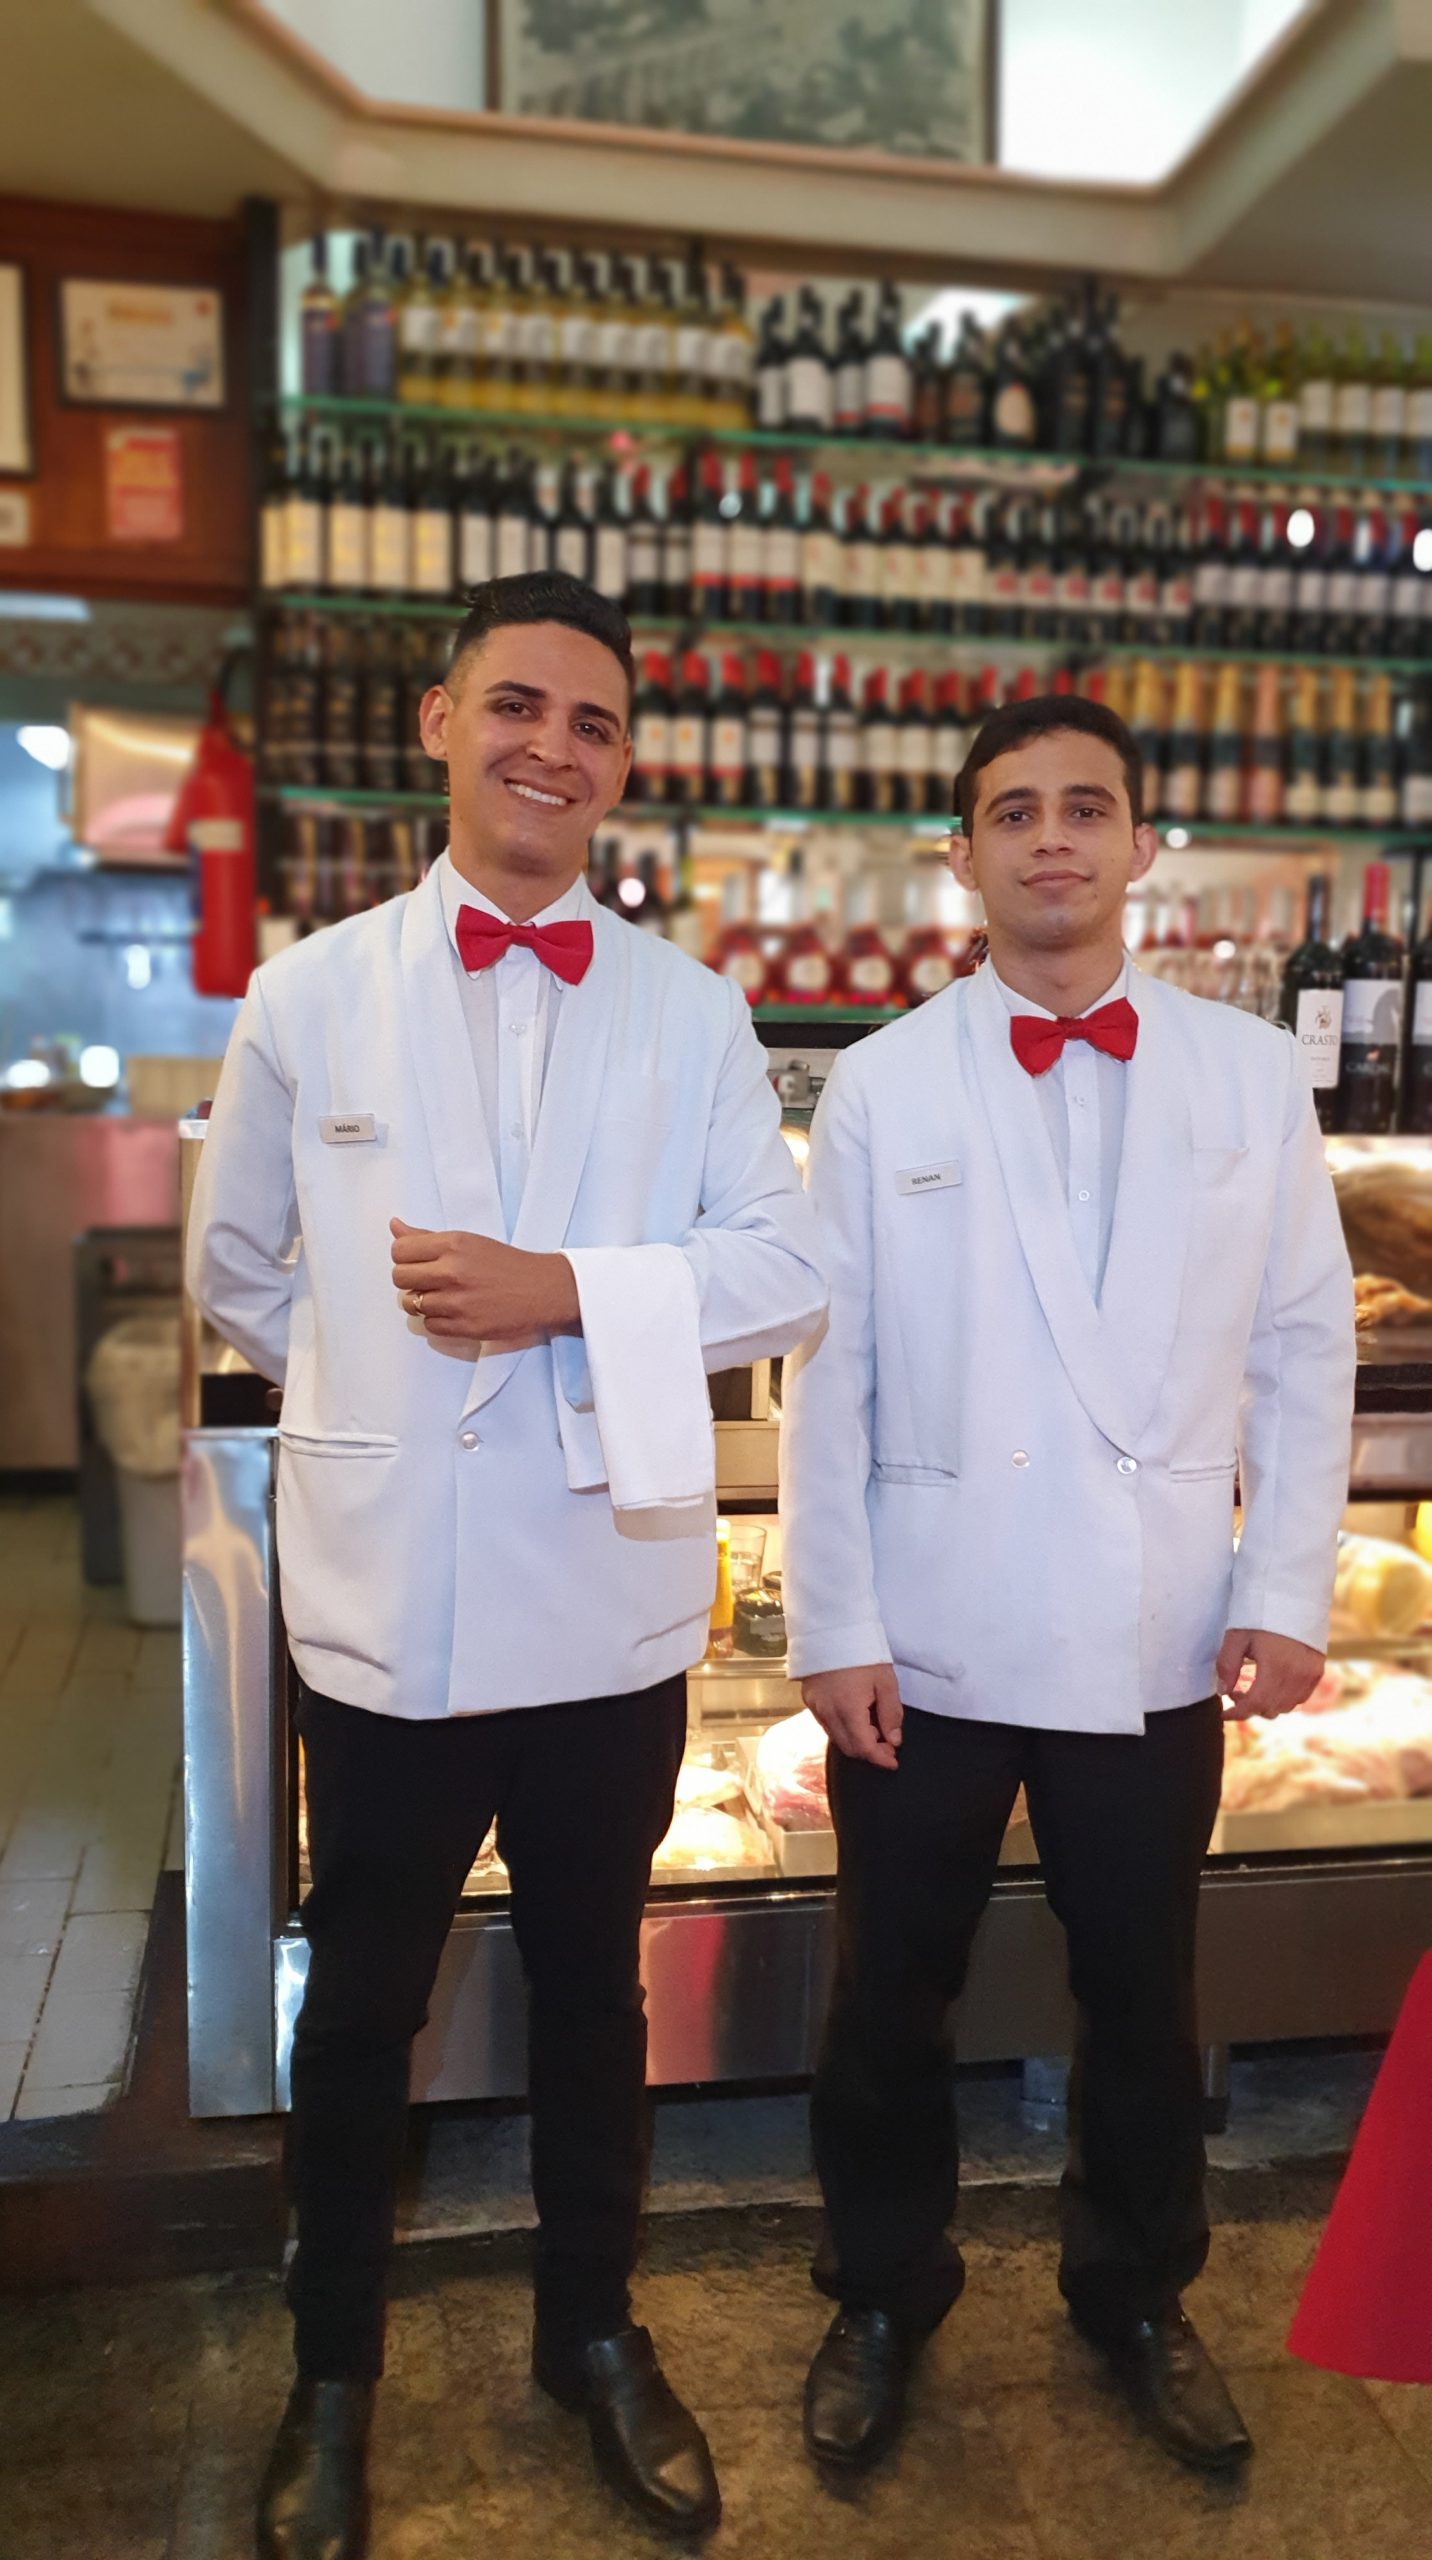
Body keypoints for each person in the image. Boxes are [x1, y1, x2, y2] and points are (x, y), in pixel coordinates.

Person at [188, 571, 826, 2557]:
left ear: (622, 769)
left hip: (603, 1593)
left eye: (596, 723)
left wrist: (560, 1299)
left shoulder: (691, 1010)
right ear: (440, 722)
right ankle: (331, 2372)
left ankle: (593, 2330)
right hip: (386, 1585)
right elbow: (241, 1270)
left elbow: (780, 1263)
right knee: (359, 1993)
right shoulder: (310, 991)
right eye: (519, 705)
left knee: (588, 1989)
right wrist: (390, 1397)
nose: (555, 745)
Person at [780, 693, 1355, 2481]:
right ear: (961, 858)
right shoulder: (881, 1084)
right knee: (892, 1998)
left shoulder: (1251, 1075)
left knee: (1144, 1993)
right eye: (1012, 812)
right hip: (930, 1639)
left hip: (1158, 1625)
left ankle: (1137, 2291)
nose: (1051, 838)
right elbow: (833, 1376)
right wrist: (835, 1625)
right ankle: (880, 2291)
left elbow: (1304, 1341)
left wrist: (1287, 1586)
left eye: (1085, 808)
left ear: (1139, 849)